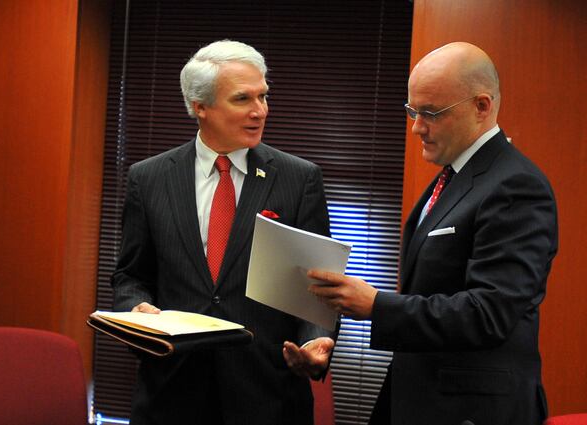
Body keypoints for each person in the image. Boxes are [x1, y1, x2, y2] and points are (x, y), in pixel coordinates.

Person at [308, 42, 558, 425]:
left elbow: (488, 313)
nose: (416, 127)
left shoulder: (516, 185)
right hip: (424, 397)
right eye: (412, 110)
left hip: (471, 409)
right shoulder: (455, 176)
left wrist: (377, 305)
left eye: (430, 113)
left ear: (482, 106)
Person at [112, 40, 335, 425]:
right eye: (242, 99)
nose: (259, 111)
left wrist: (314, 340)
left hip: (267, 393)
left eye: (264, 96)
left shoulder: (300, 179)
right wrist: (136, 310)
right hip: (172, 391)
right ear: (199, 106)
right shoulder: (148, 179)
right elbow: (131, 276)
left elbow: (316, 285)